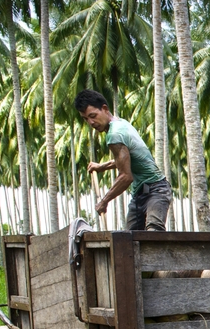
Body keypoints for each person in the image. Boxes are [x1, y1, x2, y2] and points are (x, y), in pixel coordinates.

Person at [74, 89, 173, 231]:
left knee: (153, 232)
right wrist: (102, 167)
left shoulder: (115, 134)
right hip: (139, 194)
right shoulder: (121, 123)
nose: (91, 122)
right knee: (127, 241)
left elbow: (126, 177)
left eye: (93, 116)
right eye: (86, 119)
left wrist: (104, 201)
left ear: (104, 108)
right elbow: (129, 159)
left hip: (156, 190)